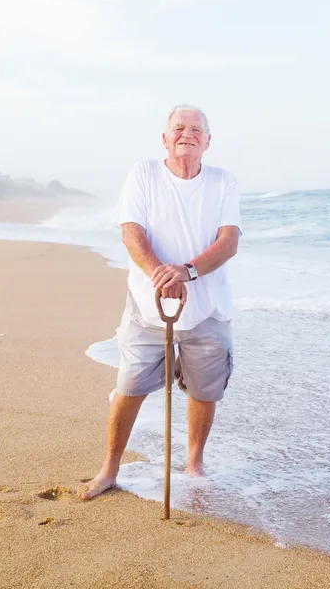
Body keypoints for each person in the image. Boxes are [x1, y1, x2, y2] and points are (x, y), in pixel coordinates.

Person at [78, 104, 242, 500]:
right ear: (165, 138)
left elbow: (228, 241)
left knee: (205, 391)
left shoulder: (223, 181)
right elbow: (131, 233)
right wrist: (160, 274)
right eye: (179, 128)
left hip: (208, 309)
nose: (187, 134)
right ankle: (110, 469)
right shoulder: (144, 173)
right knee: (129, 386)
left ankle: (194, 464)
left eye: (196, 130)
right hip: (148, 306)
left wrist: (186, 271)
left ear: (207, 141)